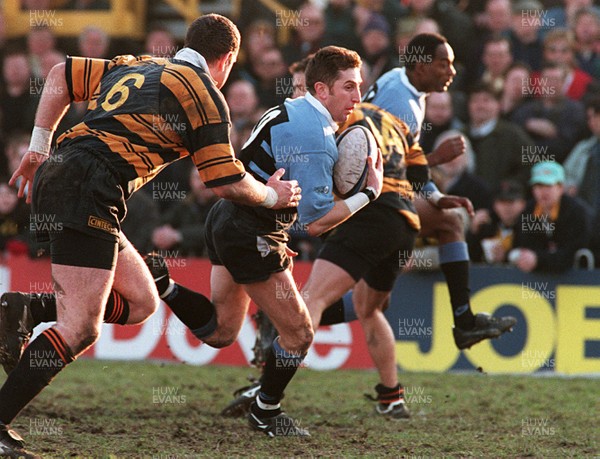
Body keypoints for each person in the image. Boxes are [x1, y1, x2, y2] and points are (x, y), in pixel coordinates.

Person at [0, 14, 300, 456]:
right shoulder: (205, 95)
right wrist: (274, 198)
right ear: (229, 58)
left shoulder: (137, 64)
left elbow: (61, 73)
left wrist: (39, 145)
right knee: (80, 328)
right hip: (91, 185)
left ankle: (26, 309)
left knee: (140, 301)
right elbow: (225, 181)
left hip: (67, 174)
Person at [363, 33, 517, 349]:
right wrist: (438, 158)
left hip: (372, 194)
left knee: (375, 301)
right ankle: (464, 322)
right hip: (369, 200)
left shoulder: (401, 81)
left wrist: (434, 196)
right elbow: (388, 169)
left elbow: (404, 158)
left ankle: (290, 317)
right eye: (443, 64)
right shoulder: (401, 104)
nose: (452, 71)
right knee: (449, 224)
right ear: (420, 66)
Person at [509, 161, 591, 273]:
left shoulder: (576, 212)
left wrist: (539, 258)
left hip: (576, 280)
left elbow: (573, 252)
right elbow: (523, 244)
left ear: (561, 188)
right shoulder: (528, 211)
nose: (543, 192)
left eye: (548, 185)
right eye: (538, 186)